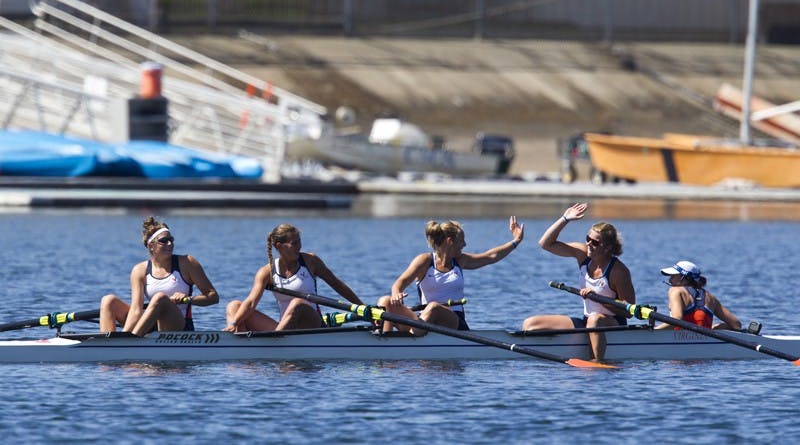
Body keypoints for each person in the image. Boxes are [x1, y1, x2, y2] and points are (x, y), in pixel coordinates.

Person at [521, 202, 635, 361]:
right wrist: (564, 219)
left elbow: (629, 311)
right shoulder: (583, 254)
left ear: (608, 248)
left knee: (595, 318)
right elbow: (545, 244)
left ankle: (597, 361)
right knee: (530, 324)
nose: (589, 243)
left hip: (613, 324)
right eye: (588, 239)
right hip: (587, 321)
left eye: (595, 242)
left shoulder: (618, 272)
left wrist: (600, 299)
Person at [376, 216, 525, 335]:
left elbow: (491, 256)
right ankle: (384, 340)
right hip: (424, 319)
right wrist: (396, 294)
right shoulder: (425, 261)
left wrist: (515, 241)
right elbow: (399, 282)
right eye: (462, 241)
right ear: (449, 241)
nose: (465, 244)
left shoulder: (460, 261)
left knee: (434, 307)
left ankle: (407, 337)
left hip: (454, 322)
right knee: (386, 301)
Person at [224, 223, 365, 332]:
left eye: (299, 241)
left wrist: (364, 309)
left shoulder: (310, 261)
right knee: (234, 306)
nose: (299, 246)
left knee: (297, 303)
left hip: (313, 324)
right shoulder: (266, 271)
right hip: (284, 327)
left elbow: (338, 285)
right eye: (294, 243)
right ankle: (238, 343)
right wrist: (234, 322)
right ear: (280, 246)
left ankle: (274, 344)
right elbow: (251, 302)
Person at [99, 217, 219, 336]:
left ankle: (130, 341)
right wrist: (125, 334)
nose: (170, 243)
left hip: (179, 326)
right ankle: (107, 344)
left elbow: (213, 297)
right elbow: (136, 310)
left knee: (160, 298)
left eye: (171, 239)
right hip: (151, 324)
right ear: (151, 245)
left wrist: (187, 299)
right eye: (164, 240)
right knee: (108, 301)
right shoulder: (139, 270)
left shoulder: (187, 263)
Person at [655, 260, 741, 331]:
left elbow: (677, 320)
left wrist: (654, 330)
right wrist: (715, 328)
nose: (670, 280)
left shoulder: (676, 291)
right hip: (704, 342)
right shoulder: (711, 298)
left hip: (679, 340)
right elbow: (736, 325)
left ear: (685, 278)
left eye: (673, 276)